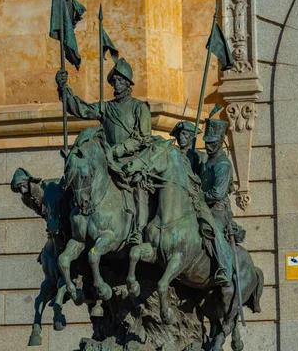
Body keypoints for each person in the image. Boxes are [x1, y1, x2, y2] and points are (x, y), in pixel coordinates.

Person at [55, 58, 151, 244]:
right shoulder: (106, 107)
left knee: (139, 186)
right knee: (76, 181)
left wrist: (118, 150)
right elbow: (81, 109)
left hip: (132, 159)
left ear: (128, 84)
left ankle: (139, 231)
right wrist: (64, 89)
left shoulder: (139, 107)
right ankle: (65, 230)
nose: (116, 83)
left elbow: (143, 137)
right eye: (114, 80)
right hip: (108, 160)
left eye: (120, 80)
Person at [170, 121, 232, 286]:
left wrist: (199, 197)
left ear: (220, 142)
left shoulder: (222, 165)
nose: (209, 146)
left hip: (218, 209)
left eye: (213, 143)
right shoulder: (207, 161)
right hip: (201, 205)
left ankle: (224, 268)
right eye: (207, 142)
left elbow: (217, 193)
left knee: (214, 229)